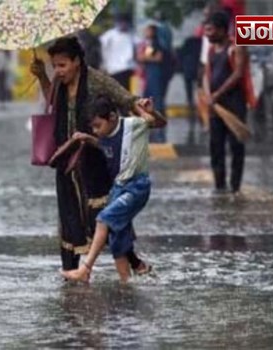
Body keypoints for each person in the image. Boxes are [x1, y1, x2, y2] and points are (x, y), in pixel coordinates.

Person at [29, 37, 156, 273]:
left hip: (95, 158)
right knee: (69, 217)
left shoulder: (97, 80)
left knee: (105, 214)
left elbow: (125, 98)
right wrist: (42, 77)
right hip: (66, 158)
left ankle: (133, 263)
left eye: (62, 65)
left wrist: (144, 107)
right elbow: (53, 103)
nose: (58, 70)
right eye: (54, 65)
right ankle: (71, 274)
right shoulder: (58, 82)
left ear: (77, 61)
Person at [61, 95, 165, 283]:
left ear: (112, 117)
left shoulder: (132, 125)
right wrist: (86, 137)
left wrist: (144, 109)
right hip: (118, 187)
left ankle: (85, 268)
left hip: (136, 187)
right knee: (117, 239)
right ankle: (126, 282)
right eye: (93, 127)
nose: (96, 130)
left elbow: (151, 121)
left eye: (98, 125)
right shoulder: (105, 135)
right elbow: (102, 144)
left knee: (104, 218)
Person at [204, 11, 248, 194]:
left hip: (234, 104)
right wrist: (208, 95)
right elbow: (207, 74)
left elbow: (238, 73)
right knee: (216, 146)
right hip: (215, 107)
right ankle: (219, 186)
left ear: (222, 30)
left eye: (211, 30)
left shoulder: (236, 47)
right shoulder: (211, 50)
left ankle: (235, 187)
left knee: (236, 146)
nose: (207, 34)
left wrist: (218, 94)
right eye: (206, 30)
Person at [137, 23, 167, 143]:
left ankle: (158, 120)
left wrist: (145, 58)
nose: (146, 33)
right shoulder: (147, 44)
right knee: (147, 96)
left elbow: (157, 58)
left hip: (155, 74)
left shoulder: (157, 44)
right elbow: (140, 57)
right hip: (148, 74)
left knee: (156, 98)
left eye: (148, 30)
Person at [99, 14, 137, 89]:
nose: (123, 24)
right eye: (121, 22)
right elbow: (101, 47)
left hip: (128, 67)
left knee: (126, 90)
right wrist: (103, 64)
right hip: (114, 68)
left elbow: (140, 44)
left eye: (125, 22)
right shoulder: (110, 35)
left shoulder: (131, 35)